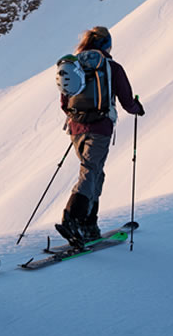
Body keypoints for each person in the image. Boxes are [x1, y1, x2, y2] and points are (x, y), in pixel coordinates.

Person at [57, 26, 144, 244]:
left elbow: (64, 101)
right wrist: (137, 108)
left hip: (75, 128)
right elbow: (126, 101)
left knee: (96, 172)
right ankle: (72, 218)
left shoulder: (73, 66)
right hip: (100, 128)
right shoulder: (111, 67)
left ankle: (89, 223)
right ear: (106, 44)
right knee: (90, 171)